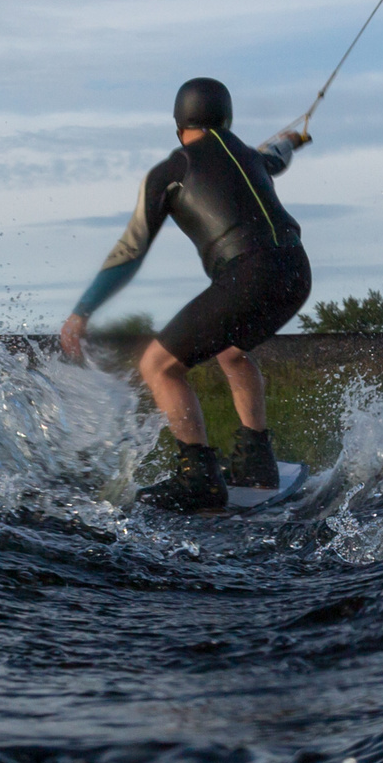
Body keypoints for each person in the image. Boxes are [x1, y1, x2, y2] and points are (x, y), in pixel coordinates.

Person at [59, 77, 313, 511]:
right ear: (226, 120)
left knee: (158, 365)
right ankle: (256, 459)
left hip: (249, 275)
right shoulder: (251, 157)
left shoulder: (171, 172)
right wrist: (294, 137)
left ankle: (198, 477)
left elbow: (130, 251)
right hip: (295, 272)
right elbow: (277, 154)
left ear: (178, 126)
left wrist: (82, 311)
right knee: (232, 350)